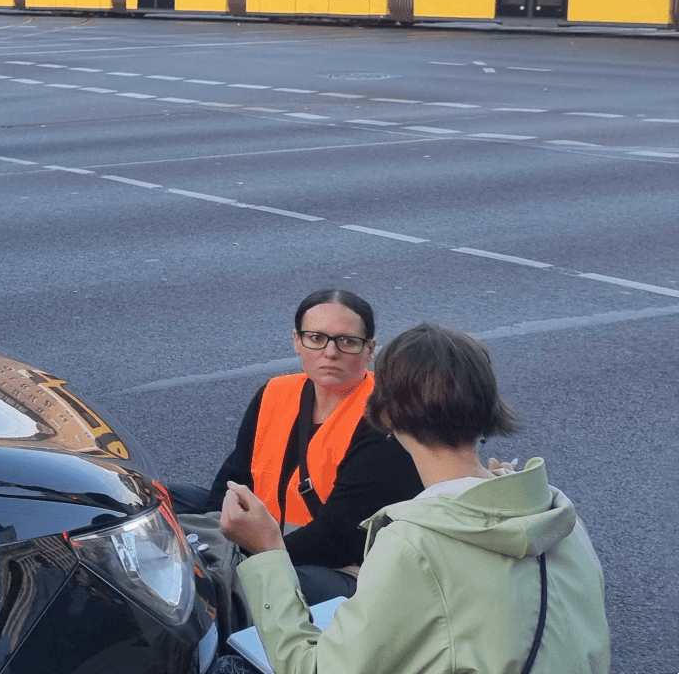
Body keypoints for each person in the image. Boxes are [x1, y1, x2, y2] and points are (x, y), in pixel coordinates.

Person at [222, 322, 610, 673]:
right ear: (488, 407)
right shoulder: (563, 519)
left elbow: (315, 670)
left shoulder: (414, 545)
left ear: (385, 415)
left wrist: (269, 552)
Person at [171, 288, 421, 604]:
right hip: (262, 533)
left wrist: (253, 555)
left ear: (369, 349)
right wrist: (218, 535)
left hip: (338, 564)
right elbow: (234, 478)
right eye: (316, 338)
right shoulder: (275, 393)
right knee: (153, 497)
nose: (330, 352)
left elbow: (340, 537)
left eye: (347, 342)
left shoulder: (384, 417)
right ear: (297, 341)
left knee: (239, 586)